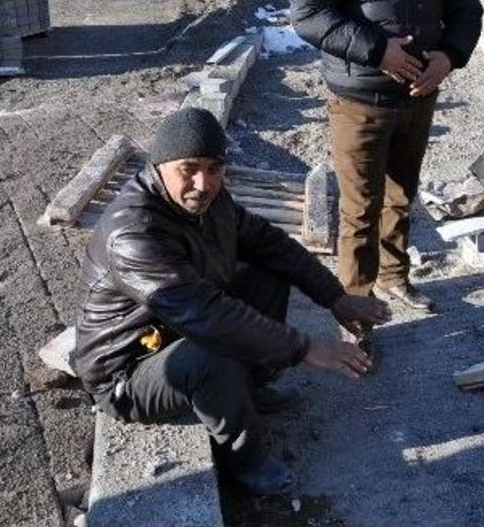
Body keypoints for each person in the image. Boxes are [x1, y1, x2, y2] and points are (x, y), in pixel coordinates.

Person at [73, 107, 392, 495]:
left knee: (268, 274)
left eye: (214, 167)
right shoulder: (133, 234)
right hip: (127, 370)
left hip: (173, 329)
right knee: (211, 354)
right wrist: (304, 347)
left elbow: (270, 243)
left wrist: (335, 297)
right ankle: (244, 458)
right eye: (188, 168)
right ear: (159, 166)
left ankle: (250, 387)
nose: (203, 183)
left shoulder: (214, 202)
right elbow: (206, 316)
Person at [291, 0, 483, 312]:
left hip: (418, 98)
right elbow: (308, 13)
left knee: (401, 197)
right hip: (359, 101)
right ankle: (355, 310)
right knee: (360, 209)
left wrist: (449, 57)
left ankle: (393, 277)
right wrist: (378, 50)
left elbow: (467, 11)